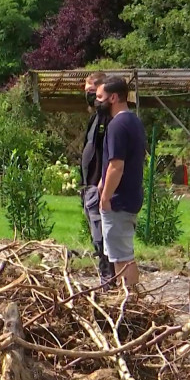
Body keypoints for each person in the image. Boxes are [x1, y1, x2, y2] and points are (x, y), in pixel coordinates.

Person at [95, 76, 146, 287]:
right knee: (118, 254)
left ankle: (130, 301)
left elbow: (117, 165)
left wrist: (106, 197)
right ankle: (124, 297)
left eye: (100, 97)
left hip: (119, 200)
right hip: (130, 196)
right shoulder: (133, 121)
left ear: (113, 97)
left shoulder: (117, 125)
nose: (97, 102)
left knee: (122, 256)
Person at [80, 71, 115, 287]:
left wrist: (103, 185)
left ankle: (109, 282)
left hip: (99, 187)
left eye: (93, 93)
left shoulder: (109, 120)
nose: (90, 97)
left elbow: (113, 158)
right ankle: (106, 279)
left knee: (103, 238)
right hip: (89, 187)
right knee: (97, 237)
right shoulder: (95, 118)